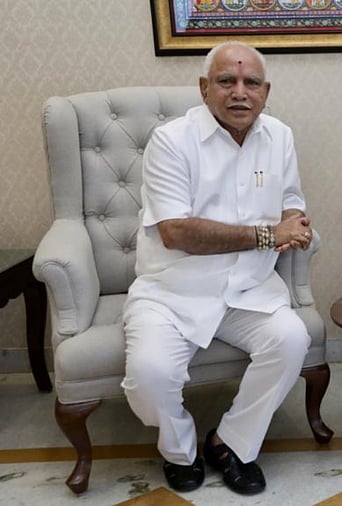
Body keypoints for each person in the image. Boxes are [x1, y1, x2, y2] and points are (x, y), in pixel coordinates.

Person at [121, 40, 314, 496]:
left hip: (248, 289)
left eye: (251, 83)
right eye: (227, 81)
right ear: (205, 88)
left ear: (266, 91)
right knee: (149, 377)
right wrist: (269, 234)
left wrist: (294, 220)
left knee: (291, 340)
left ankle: (230, 443)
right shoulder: (170, 141)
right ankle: (179, 450)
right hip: (173, 290)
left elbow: (291, 200)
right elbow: (177, 233)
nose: (239, 92)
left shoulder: (279, 136)